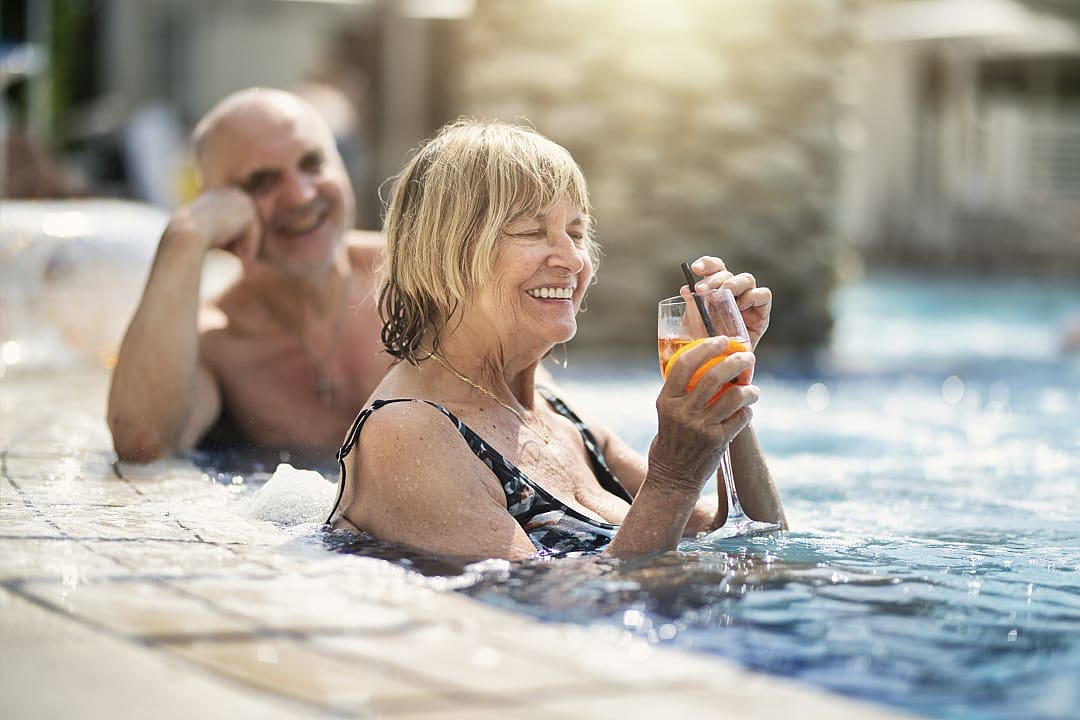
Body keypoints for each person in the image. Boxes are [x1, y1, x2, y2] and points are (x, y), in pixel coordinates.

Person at [326, 119, 786, 560]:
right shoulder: (409, 435)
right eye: (531, 231)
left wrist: (730, 383)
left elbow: (751, 544)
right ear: (444, 255)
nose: (571, 258)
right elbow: (552, 614)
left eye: (576, 231)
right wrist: (672, 477)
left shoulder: (553, 411)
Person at [108, 88, 390, 466]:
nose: (301, 195)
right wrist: (185, 237)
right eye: (262, 182)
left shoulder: (422, 280)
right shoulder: (218, 343)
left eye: (312, 162)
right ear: (219, 207)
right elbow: (142, 443)